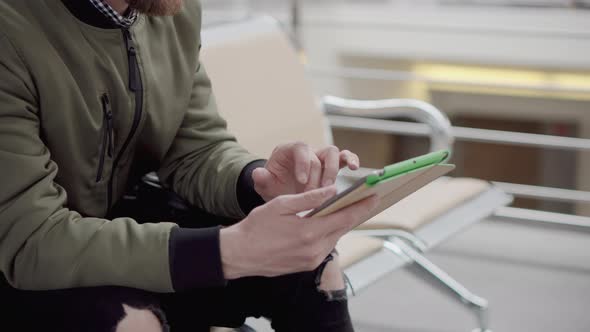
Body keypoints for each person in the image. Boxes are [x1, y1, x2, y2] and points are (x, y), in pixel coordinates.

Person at [0, 0, 379, 331]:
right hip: (21, 261)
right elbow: (31, 239)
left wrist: (258, 181)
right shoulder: (11, 31)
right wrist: (225, 252)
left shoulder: (169, 12)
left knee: (312, 269)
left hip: (111, 229)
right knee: (126, 319)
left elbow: (195, 147)